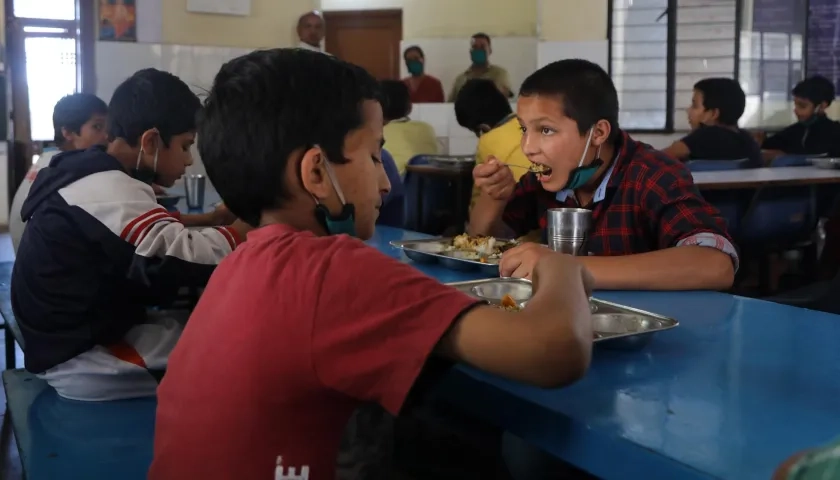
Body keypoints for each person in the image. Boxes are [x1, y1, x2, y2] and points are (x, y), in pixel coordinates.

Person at [149, 48, 595, 480]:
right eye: (372, 157)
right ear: (317, 174)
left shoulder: (240, 262)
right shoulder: (330, 269)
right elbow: (552, 352)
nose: (385, 182)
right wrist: (561, 267)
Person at [10, 68, 249, 402]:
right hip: (84, 359)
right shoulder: (106, 186)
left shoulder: (93, 171)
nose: (189, 159)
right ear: (151, 141)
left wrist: (213, 220)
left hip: (84, 332)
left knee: (198, 326)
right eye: (185, 145)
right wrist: (246, 229)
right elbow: (172, 257)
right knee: (234, 357)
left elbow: (135, 226)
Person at [469, 59, 738, 291]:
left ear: (598, 133)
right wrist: (494, 197)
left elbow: (715, 264)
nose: (528, 148)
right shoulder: (546, 179)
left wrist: (567, 268)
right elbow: (479, 244)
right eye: (524, 130)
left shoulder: (653, 175)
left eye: (546, 130)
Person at [10, 93, 108, 253]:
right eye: (97, 126)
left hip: (27, 263)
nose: (106, 136)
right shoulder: (69, 169)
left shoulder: (47, 160)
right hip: (43, 266)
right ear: (68, 132)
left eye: (107, 128)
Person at [455, 78, 531, 207]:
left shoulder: (487, 141)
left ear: (484, 128)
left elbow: (478, 198)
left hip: (517, 217)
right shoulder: (530, 125)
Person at [662, 77, 763, 168]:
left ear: (714, 114)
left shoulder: (704, 136)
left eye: (694, 105)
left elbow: (655, 159)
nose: (688, 110)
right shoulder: (747, 139)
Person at [762, 75, 840, 158]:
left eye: (802, 106)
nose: (796, 110)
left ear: (822, 106)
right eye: (796, 105)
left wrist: (785, 157)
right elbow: (768, 144)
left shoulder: (834, 133)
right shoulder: (794, 131)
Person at [381, 79, 439, 174]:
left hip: (397, 186)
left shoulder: (379, 134)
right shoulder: (427, 129)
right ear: (410, 107)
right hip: (432, 187)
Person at [448, 33, 512, 102]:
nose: (478, 50)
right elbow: (449, 105)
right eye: (475, 47)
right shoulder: (460, 79)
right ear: (470, 52)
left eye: (482, 47)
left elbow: (506, 102)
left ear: (490, 50)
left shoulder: (500, 74)